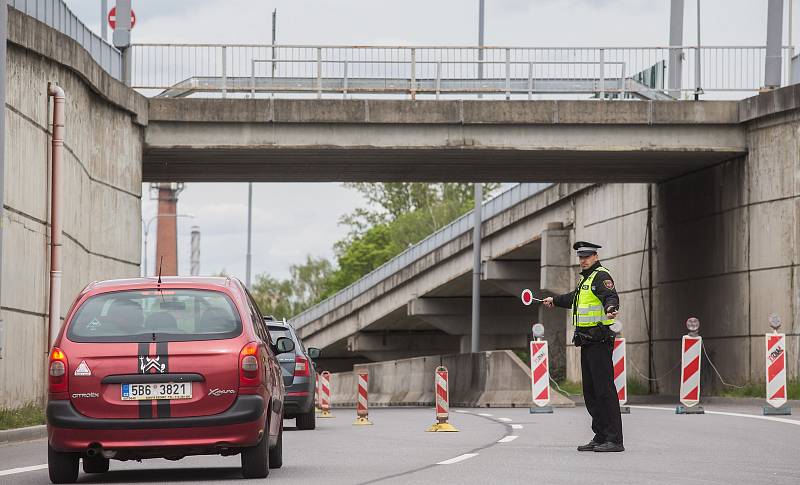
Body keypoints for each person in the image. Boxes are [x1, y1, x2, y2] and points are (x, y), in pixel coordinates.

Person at [543, 241, 624, 452]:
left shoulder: (601, 276)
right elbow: (575, 299)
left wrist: (611, 308)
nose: (583, 260)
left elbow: (611, 296)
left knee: (604, 390)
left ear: (595, 257)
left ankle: (614, 439)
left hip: (600, 340)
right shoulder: (586, 280)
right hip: (587, 341)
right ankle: (600, 435)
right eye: (581, 257)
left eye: (587, 256)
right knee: (590, 391)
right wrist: (555, 300)